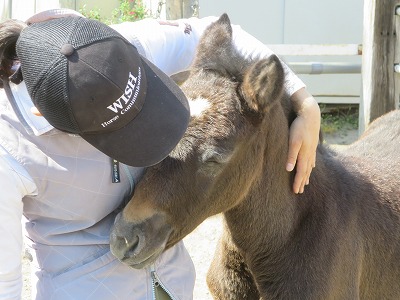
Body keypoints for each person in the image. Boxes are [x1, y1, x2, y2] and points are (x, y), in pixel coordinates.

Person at [0, 8, 320, 300]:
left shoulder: (116, 48)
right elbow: (5, 280)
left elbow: (211, 29)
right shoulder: (8, 148)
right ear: (46, 114)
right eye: (116, 130)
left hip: (170, 282)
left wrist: (304, 101)